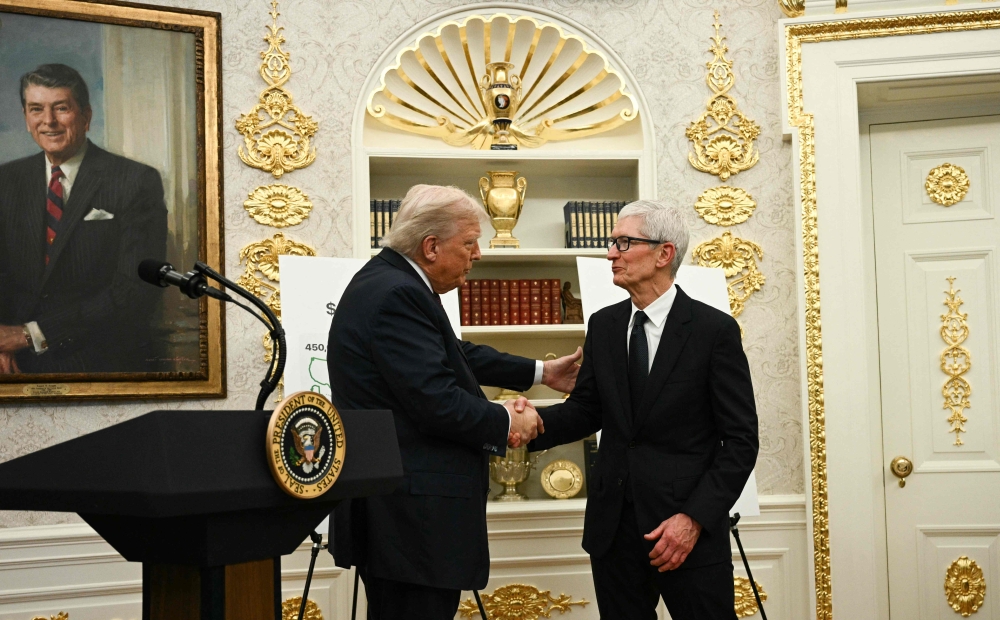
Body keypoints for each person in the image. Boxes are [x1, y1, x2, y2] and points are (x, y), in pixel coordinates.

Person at [326, 184, 583, 619]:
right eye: (469, 243)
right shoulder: (397, 293)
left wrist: (542, 372)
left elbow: (454, 354)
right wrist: (507, 420)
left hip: (401, 518)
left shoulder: (390, 281)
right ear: (431, 247)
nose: (477, 254)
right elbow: (437, 402)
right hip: (411, 520)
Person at [527, 199, 759, 620]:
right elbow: (586, 411)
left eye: (623, 242)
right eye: (612, 242)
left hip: (686, 530)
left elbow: (740, 441)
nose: (610, 253)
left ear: (663, 253)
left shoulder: (713, 331)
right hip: (613, 529)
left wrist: (693, 518)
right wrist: (521, 423)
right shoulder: (604, 325)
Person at [0, 63, 168, 374]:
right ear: (26, 118)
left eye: (61, 108)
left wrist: (29, 335)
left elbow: (134, 291)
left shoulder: (135, 181)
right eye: (36, 109)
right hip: (13, 364)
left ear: (86, 116)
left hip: (101, 363)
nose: (48, 121)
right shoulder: (6, 180)